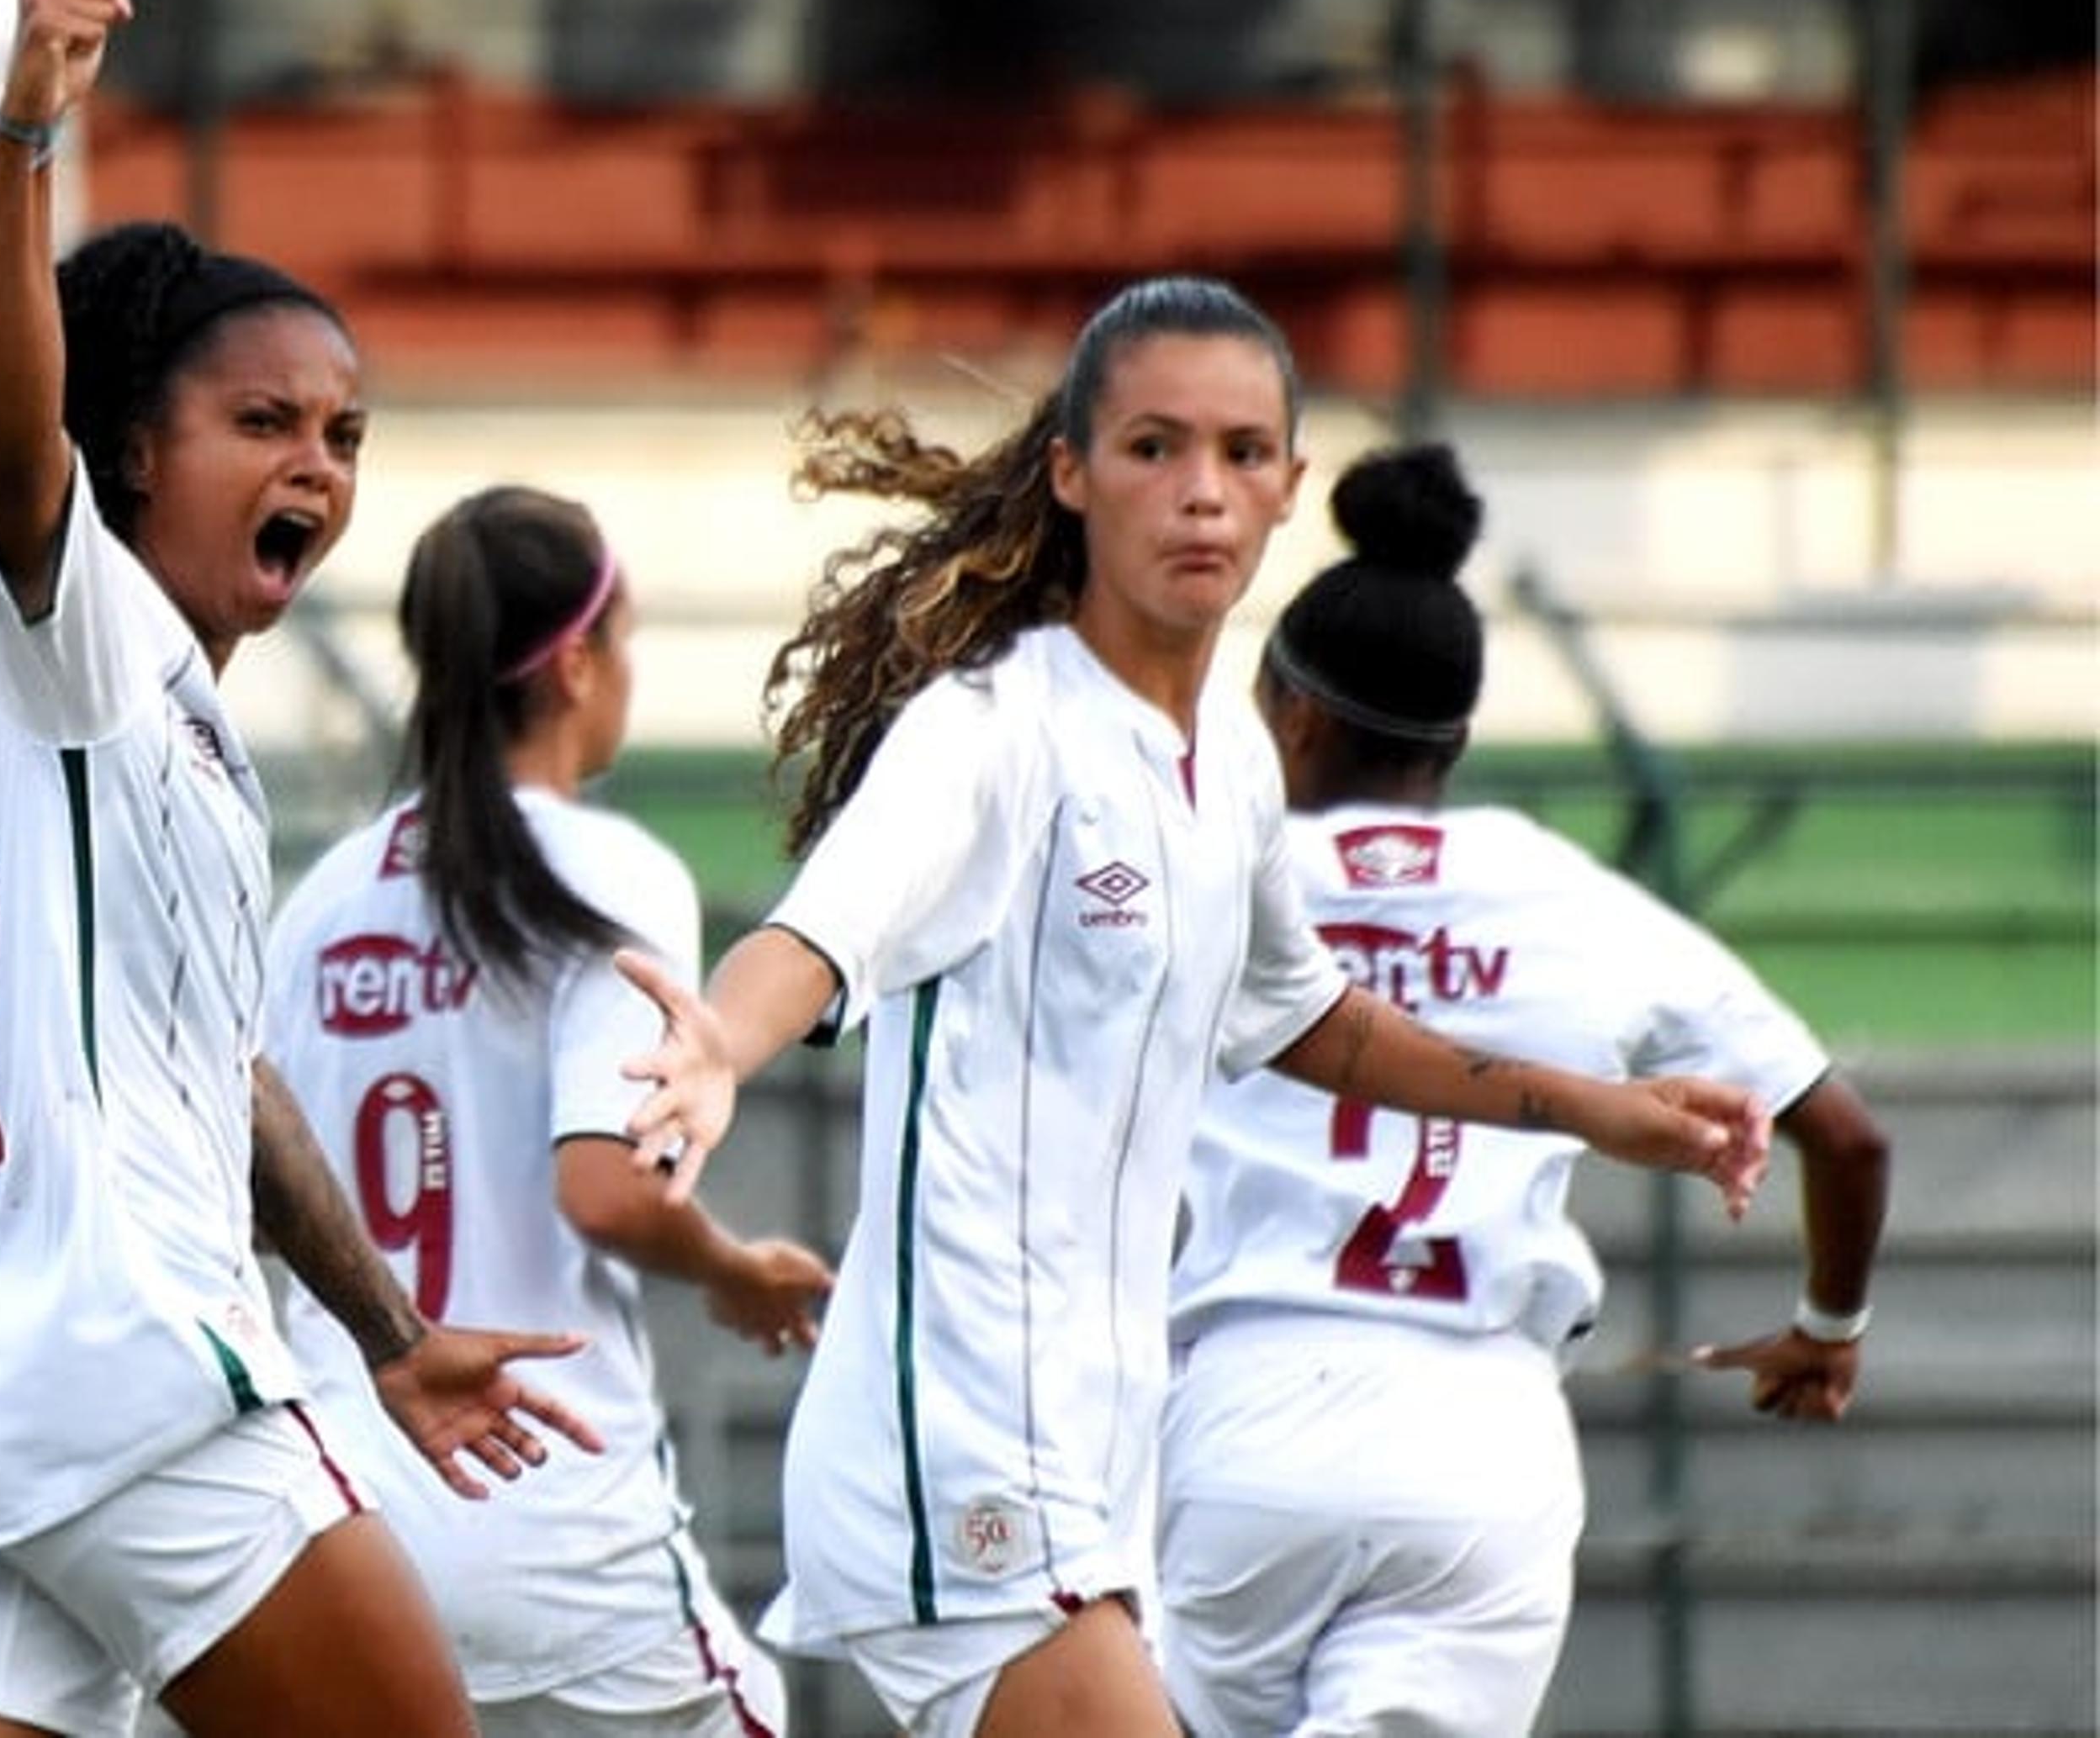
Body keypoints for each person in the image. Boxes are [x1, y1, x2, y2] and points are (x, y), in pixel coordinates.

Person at [609, 274, 1772, 1738]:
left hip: (1101, 1469)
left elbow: (1313, 1021)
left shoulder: (1226, 755)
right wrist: (718, 1041)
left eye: (1240, 453)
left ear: (1291, 487)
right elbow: (822, 931)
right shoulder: (989, 731)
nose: (1200, 492)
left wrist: (1606, 1109)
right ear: (1073, 474)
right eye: (1153, 449)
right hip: (960, 1458)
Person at [0, 0, 600, 1738]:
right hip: (115, 1365)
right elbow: (16, 447)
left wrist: (393, 1335)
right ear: (126, 456)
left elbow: (226, 1079)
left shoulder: (168, 728)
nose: (318, 471)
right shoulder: (78, 634)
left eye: (342, 435)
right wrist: (29, 133)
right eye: (262, 424)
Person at [1155, 442, 1893, 1738]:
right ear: (1456, 733)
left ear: (1289, 709)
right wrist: (1827, 1330)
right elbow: (1846, 1136)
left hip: (1244, 1410)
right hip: (1481, 1435)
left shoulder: (1210, 882)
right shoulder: (1567, 897)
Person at [262, 484, 835, 1737]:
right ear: (577, 662)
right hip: (544, 1498)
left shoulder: (322, 899)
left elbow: (253, 1199)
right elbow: (608, 1186)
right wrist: (733, 1268)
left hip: (338, 1518)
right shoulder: (610, 872)